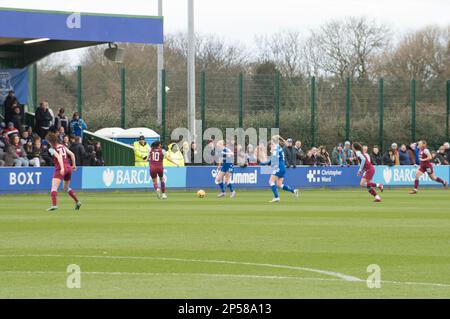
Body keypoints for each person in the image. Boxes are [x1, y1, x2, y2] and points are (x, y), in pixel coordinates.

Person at [46, 132, 81, 211]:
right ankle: (77, 202)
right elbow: (72, 154)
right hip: (68, 168)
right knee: (66, 187)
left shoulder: (51, 149)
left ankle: (54, 205)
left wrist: (61, 168)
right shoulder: (62, 146)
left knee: (54, 187)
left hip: (61, 168)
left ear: (50, 141)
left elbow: (59, 157)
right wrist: (74, 165)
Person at [260, 136, 299, 203]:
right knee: (279, 184)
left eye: (270, 146)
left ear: (272, 144)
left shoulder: (276, 149)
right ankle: (294, 191)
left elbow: (272, 161)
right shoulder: (279, 147)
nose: (270, 147)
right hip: (282, 167)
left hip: (279, 168)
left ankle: (276, 197)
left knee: (271, 181)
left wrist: (262, 163)